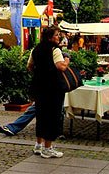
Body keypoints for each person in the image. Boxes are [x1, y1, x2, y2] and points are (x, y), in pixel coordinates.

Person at [27, 26, 69, 159]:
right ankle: (48, 148)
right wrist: (67, 60)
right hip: (53, 88)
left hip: (39, 87)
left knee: (41, 116)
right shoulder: (54, 49)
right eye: (57, 35)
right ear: (50, 37)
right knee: (52, 117)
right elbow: (61, 66)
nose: (58, 37)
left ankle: (38, 145)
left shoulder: (36, 49)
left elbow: (29, 66)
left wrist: (40, 73)